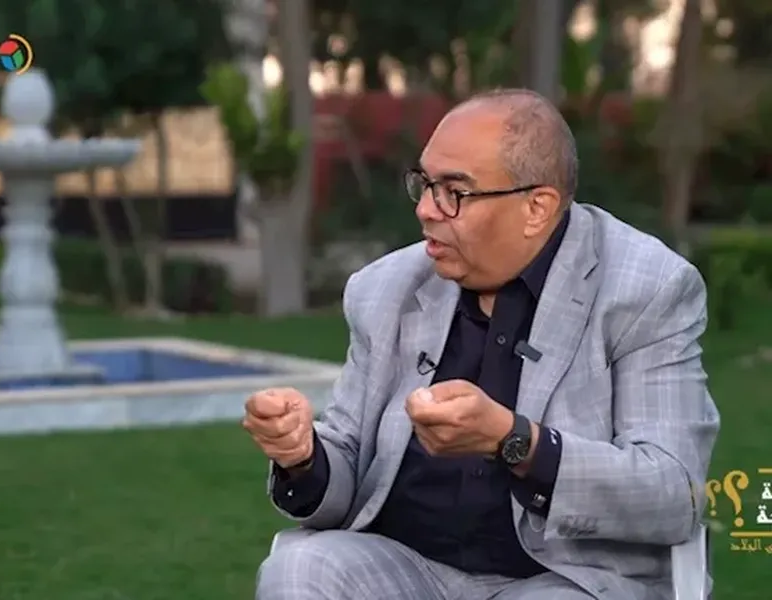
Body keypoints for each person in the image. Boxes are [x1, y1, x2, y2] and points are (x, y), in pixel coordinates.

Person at [244, 88, 720, 600]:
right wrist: (304, 455)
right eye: (424, 184)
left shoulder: (646, 290)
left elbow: (675, 493)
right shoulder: (384, 289)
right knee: (300, 569)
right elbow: (350, 461)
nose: (426, 209)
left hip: (564, 577)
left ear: (536, 208)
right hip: (409, 565)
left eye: (454, 191)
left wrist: (515, 441)